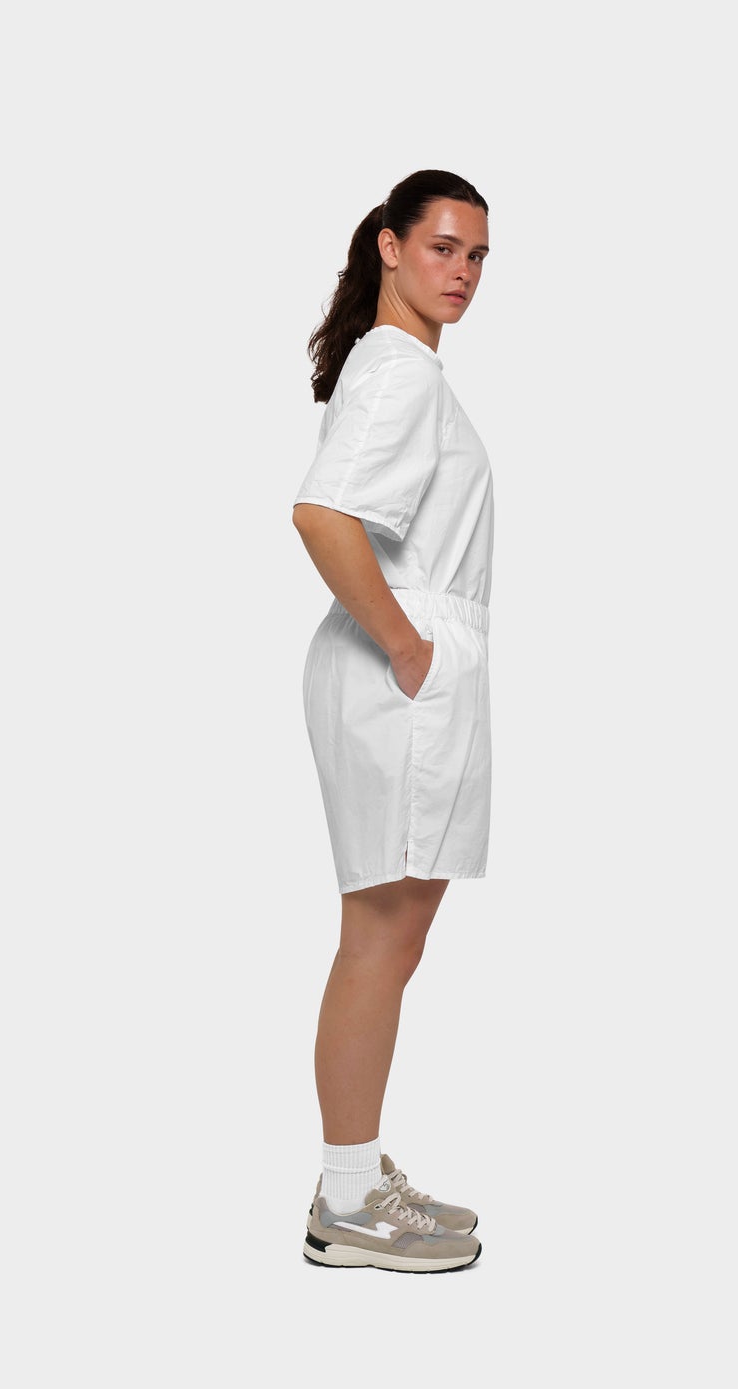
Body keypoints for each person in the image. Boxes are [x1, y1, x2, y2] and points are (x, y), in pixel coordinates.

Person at [290, 170, 495, 1272]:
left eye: (477, 256)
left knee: (393, 936)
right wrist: (408, 648)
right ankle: (345, 1199)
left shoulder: (400, 368)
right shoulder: (398, 370)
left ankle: (356, 1177)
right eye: (441, 248)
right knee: (377, 937)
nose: (461, 272)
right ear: (388, 246)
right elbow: (322, 515)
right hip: (396, 670)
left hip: (406, 666)